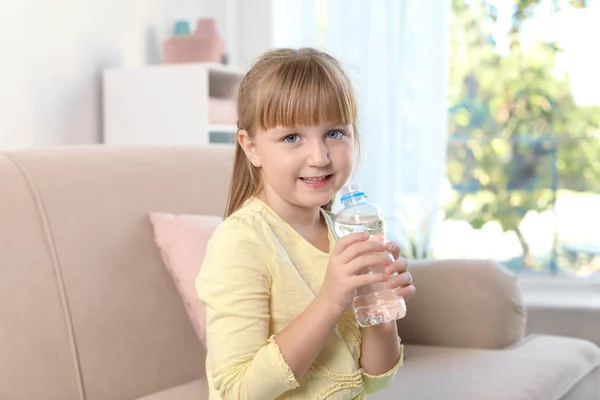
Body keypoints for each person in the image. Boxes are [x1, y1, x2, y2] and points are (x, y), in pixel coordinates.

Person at [196, 47, 416, 400]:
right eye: (292, 137)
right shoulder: (241, 241)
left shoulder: (341, 232)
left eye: (334, 133)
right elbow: (237, 392)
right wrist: (331, 300)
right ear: (251, 148)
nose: (320, 157)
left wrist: (381, 309)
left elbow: (373, 380)